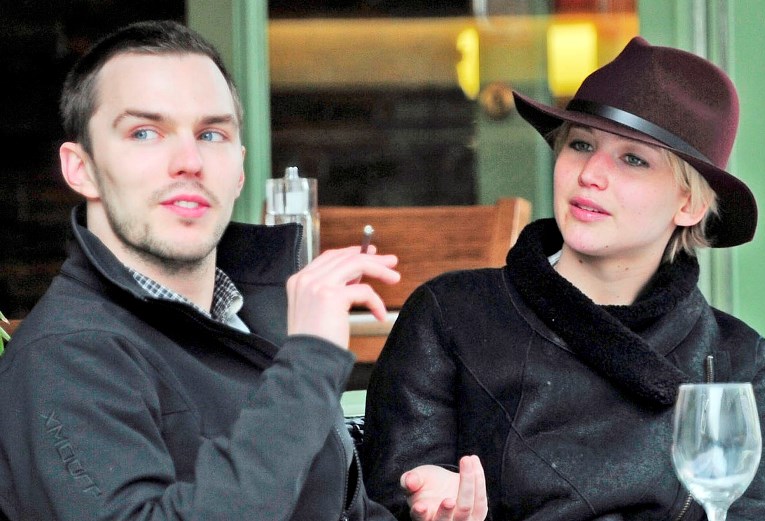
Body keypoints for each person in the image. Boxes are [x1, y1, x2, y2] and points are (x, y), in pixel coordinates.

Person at [0, 20, 488, 521]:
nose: (189, 160)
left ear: (239, 169)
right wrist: (310, 361)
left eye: (211, 134)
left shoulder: (256, 315)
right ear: (80, 168)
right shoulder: (63, 356)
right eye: (145, 133)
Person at [362, 36, 765, 520]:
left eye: (633, 159)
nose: (590, 174)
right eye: (581, 145)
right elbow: (386, 501)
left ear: (689, 205)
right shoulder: (452, 316)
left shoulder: (736, 358)